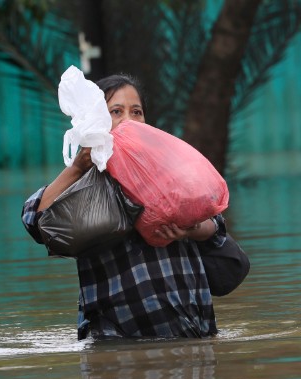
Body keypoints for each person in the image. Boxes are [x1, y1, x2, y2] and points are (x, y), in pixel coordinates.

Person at [21, 74, 240, 340]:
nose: (128, 120)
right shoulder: (86, 183)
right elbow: (35, 220)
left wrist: (190, 230)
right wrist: (78, 166)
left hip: (193, 331)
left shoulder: (169, 172)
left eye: (137, 112)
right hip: (117, 343)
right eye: (116, 111)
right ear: (95, 118)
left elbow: (215, 227)